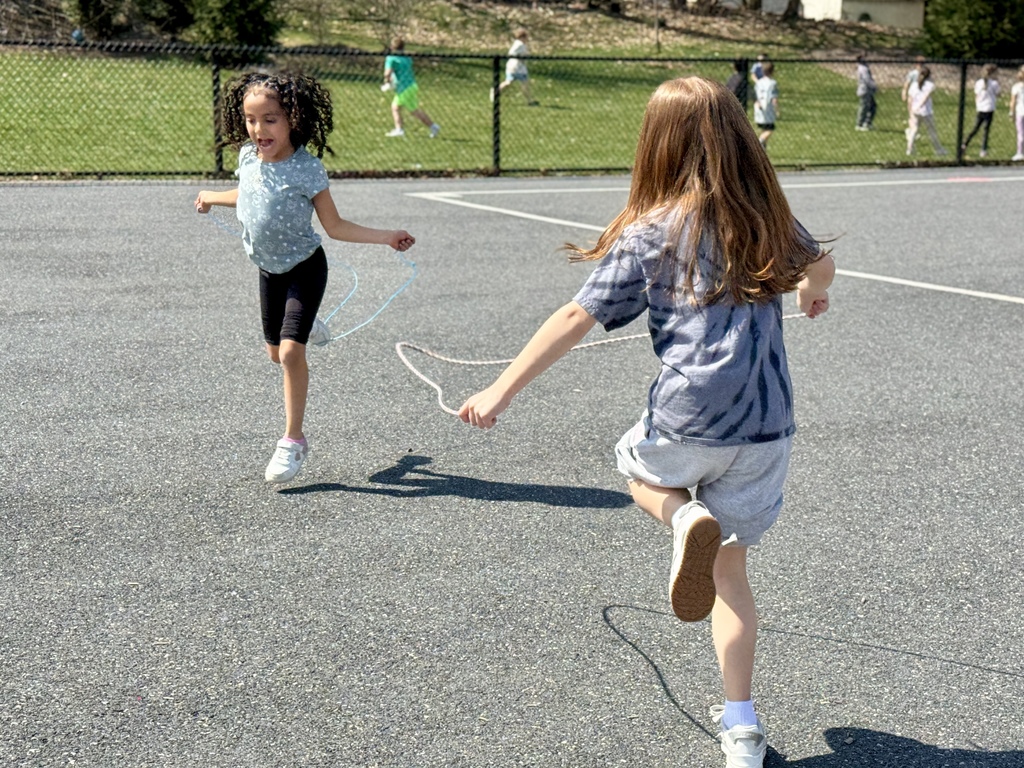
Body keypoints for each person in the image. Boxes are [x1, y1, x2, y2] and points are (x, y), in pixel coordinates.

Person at [458, 76, 834, 768]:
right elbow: (822, 263)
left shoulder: (651, 230)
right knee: (732, 577)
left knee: (635, 466)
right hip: (766, 428)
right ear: (739, 140)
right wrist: (812, 291)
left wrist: (501, 388)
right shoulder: (767, 215)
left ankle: (679, 516)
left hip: (691, 414)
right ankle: (743, 729)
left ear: (656, 145)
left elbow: (577, 317)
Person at [194, 72, 415, 483]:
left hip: (304, 269)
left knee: (293, 354)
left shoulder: (307, 170)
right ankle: (307, 323)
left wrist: (387, 237)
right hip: (268, 271)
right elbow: (247, 194)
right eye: (250, 119)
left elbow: (334, 226)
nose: (259, 129)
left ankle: (292, 441)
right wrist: (211, 197)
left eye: (270, 119)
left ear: (293, 119)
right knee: (276, 356)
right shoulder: (247, 158)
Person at [383, 37, 441, 138]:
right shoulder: (407, 58)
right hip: (412, 85)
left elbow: (387, 73)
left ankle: (399, 129)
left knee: (395, 107)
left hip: (404, 88)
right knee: (414, 111)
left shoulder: (391, 58)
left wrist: (387, 82)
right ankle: (433, 126)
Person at [906, 66, 947, 156]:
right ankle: (938, 149)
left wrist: (911, 111)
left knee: (914, 130)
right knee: (932, 131)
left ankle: (909, 149)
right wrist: (920, 106)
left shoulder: (914, 85)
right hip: (926, 112)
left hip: (915, 111)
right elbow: (925, 97)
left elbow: (910, 99)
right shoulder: (930, 85)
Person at [962, 64, 1000, 158]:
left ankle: (965, 144)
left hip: (981, 108)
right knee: (986, 130)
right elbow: (998, 94)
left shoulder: (979, 82)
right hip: (989, 108)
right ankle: (983, 149)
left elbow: (976, 95)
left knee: (975, 128)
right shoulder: (994, 83)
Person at [496, 28, 538, 105]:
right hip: (518, 67)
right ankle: (529, 101)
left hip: (513, 66)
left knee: (509, 82)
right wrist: (521, 58)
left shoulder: (518, 44)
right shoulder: (520, 44)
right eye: (526, 37)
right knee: (524, 83)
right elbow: (512, 54)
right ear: (522, 37)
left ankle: (495, 91)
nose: (527, 39)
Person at [753, 61, 778, 150]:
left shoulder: (758, 82)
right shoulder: (772, 83)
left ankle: (763, 148)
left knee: (763, 128)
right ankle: (760, 141)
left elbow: (755, 94)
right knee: (770, 129)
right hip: (768, 108)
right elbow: (774, 98)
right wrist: (777, 109)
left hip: (759, 107)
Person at [855, 54, 877, 131]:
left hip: (868, 90)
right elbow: (867, 80)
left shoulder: (864, 68)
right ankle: (860, 124)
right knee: (864, 107)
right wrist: (874, 87)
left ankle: (867, 123)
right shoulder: (863, 69)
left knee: (872, 106)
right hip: (865, 90)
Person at [901, 55, 926, 122]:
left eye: (921, 64)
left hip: (920, 94)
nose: (920, 66)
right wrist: (904, 93)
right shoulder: (913, 73)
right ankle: (912, 128)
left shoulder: (925, 74)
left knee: (918, 112)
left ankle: (915, 127)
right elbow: (907, 83)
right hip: (912, 93)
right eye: (919, 64)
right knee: (911, 111)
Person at [1010, 65, 1024, 161]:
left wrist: (1011, 112)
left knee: (1020, 133)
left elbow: (1013, 101)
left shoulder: (1016, 87)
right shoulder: (1017, 87)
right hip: (1020, 111)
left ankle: (1020, 152)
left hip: (1020, 112)